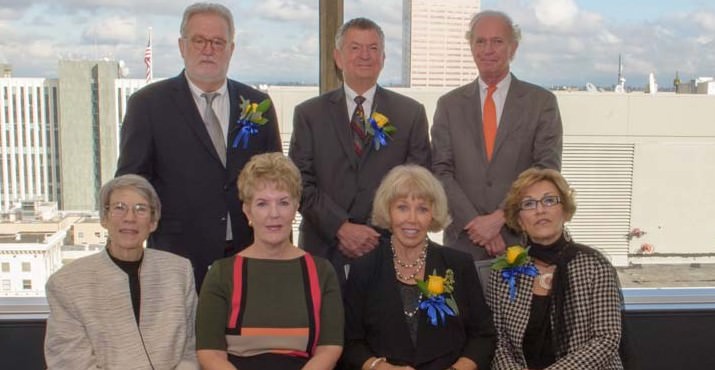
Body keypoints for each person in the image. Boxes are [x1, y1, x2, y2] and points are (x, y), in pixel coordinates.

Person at [116, 2, 282, 289]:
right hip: (177, 258)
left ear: (231, 49)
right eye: (199, 40)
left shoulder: (258, 104)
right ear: (182, 46)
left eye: (218, 42)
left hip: (250, 253)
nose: (209, 49)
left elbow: (278, 181)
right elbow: (133, 183)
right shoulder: (147, 105)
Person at [289, 17, 431, 281]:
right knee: (327, 322)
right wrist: (341, 227)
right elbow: (299, 183)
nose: (365, 55)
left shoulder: (410, 113)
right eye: (355, 48)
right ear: (338, 57)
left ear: (383, 57)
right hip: (324, 249)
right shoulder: (309, 114)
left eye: (373, 48)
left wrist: (372, 230)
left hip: (388, 248)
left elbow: (418, 184)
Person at [431, 10, 562, 260]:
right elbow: (440, 170)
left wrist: (500, 218)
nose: (487, 49)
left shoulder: (541, 102)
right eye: (480, 41)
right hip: (462, 243)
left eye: (497, 41)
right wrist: (475, 223)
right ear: (471, 47)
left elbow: (546, 170)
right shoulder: (449, 105)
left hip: (522, 239)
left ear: (513, 48)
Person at [196, 153, 344, 370]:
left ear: (295, 208)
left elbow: (329, 348)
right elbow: (210, 353)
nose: (274, 214)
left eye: (283, 202)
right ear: (247, 211)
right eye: (262, 203)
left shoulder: (322, 272)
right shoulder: (221, 273)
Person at [343, 165, 495, 370]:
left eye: (422, 209)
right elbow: (350, 342)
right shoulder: (364, 268)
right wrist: (379, 367)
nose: (412, 219)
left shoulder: (458, 264)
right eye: (402, 207)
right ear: (388, 211)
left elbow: (483, 336)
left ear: (433, 214)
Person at [44, 174, 198, 370]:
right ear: (104, 219)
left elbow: (191, 350)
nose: (129, 218)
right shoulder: (66, 283)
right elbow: (69, 362)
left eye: (141, 209)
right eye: (119, 208)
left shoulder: (179, 272)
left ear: (153, 222)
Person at [488, 168, 623, 369]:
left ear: (566, 212)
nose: (540, 210)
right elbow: (498, 341)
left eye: (549, 200)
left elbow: (606, 339)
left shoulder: (596, 266)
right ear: (519, 221)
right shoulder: (503, 272)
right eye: (529, 204)